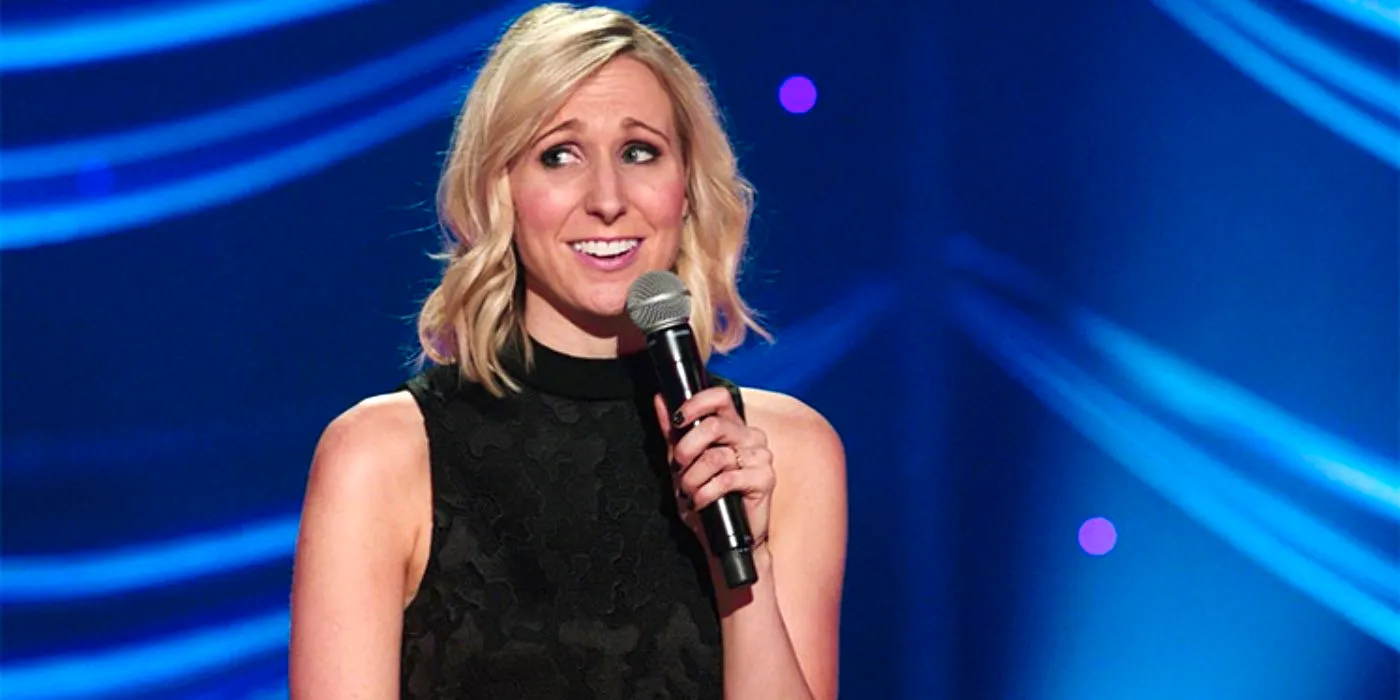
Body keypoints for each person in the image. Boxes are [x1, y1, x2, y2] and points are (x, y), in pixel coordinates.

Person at [288, 3, 847, 698]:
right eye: (560, 155)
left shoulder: (783, 453)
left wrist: (743, 562)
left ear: (686, 189)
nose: (608, 198)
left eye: (639, 151)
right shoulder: (380, 458)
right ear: (501, 191)